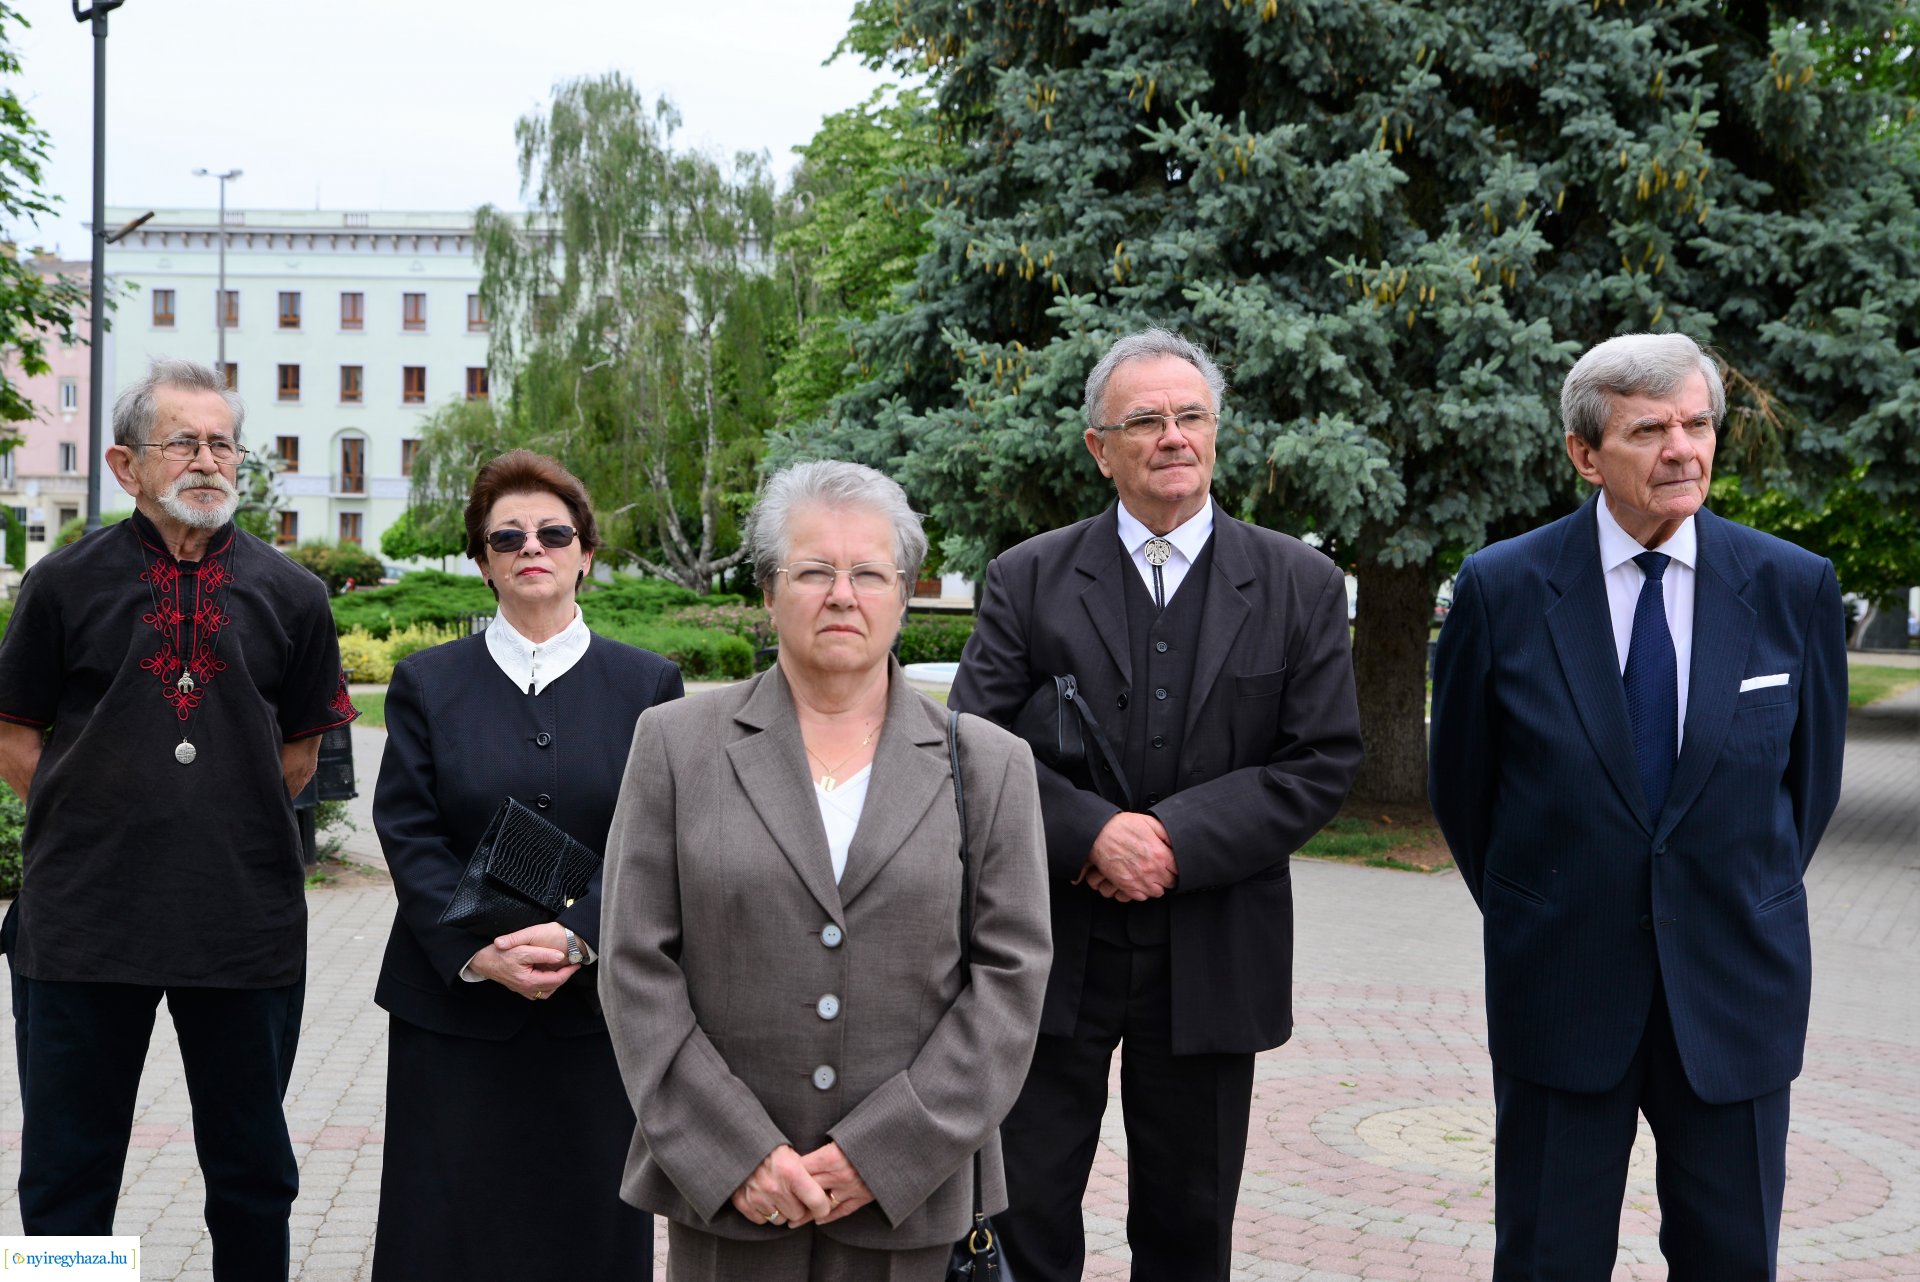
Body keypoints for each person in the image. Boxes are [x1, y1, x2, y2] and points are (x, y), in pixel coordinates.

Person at [1429, 332, 1849, 1276]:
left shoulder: (1792, 586)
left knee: (1733, 1259)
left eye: (1697, 425)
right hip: (1562, 988)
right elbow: (1462, 791)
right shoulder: (1503, 589)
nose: (1683, 449)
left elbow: (1806, 792)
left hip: (1735, 989)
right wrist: (1542, 904)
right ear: (1585, 454)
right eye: (1650, 429)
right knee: (1548, 1259)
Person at [949, 328, 1364, 1281]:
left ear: (1216, 433)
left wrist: (1170, 840)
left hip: (1216, 947)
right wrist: (1091, 832)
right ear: (1101, 447)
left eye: (1190, 416)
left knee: (1189, 1226)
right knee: (1024, 1211)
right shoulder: (1029, 577)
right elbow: (970, 748)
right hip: (1051, 946)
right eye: (1145, 420)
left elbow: (1319, 761)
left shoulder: (1298, 583)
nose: (1172, 436)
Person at [600, 459, 1052, 1282]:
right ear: (769, 594)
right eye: (813, 570)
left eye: (868, 573)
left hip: (906, 1203)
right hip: (730, 1205)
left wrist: (881, 1153)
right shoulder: (674, 745)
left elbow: (1011, 984)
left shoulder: (990, 763)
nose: (842, 594)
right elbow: (634, 966)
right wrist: (737, 1152)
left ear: (903, 594)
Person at [0, 358, 354, 1279]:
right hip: (82, 923)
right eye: (183, 441)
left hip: (242, 923)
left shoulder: (294, 595)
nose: (208, 460)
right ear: (125, 465)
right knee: (69, 1174)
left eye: (222, 442)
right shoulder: (62, 585)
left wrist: (212, 821)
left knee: (250, 1171)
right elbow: (12, 733)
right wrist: (96, 820)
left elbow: (300, 755)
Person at [369, 449, 682, 1279]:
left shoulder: (648, 685)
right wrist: (485, 948)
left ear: (585, 551)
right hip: (457, 1008)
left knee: (587, 1223)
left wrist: (577, 937)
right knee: (444, 1226)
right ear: (481, 561)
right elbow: (408, 830)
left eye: (553, 532)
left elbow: (655, 839)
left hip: (595, 1012)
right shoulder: (427, 683)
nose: (530, 548)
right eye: (506, 537)